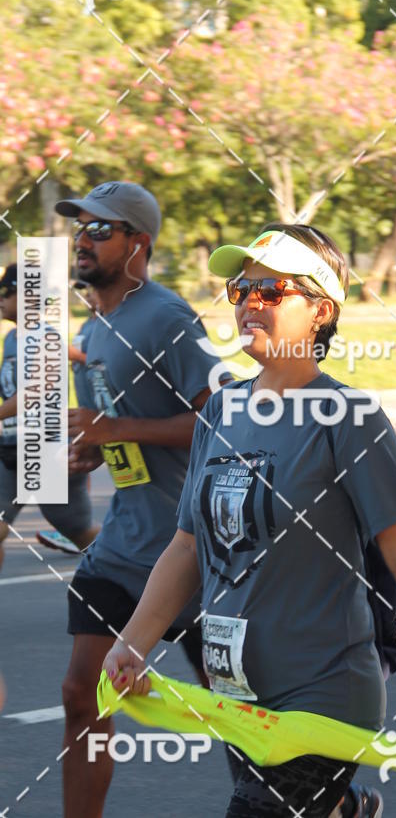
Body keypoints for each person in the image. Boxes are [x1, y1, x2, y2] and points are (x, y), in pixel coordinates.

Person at [103, 224, 396, 818]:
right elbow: (185, 548)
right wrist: (133, 642)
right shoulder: (222, 409)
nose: (251, 303)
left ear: (320, 311)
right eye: (241, 289)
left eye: (273, 289)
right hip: (234, 691)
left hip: (322, 692)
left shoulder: (347, 416)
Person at [53, 181, 226, 818]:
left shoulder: (167, 316)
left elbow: (222, 417)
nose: (82, 240)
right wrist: (98, 448)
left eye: (100, 230)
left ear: (138, 244)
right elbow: (123, 423)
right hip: (123, 546)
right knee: (82, 694)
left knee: (235, 713)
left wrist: (118, 430)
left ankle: (326, 801)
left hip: (190, 552)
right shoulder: (95, 328)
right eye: (80, 228)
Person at [0, 264, 99, 571]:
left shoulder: (43, 335)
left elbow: (35, 390)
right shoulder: (12, 338)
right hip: (11, 450)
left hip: (47, 448)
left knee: (77, 530)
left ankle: (139, 572)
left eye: (6, 291)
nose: (0, 297)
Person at [36, 282, 102, 555]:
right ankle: (77, 526)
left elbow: (105, 362)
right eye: (83, 290)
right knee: (77, 460)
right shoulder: (88, 325)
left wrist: (75, 355)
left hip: (110, 417)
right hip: (87, 413)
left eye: (91, 289)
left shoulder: (113, 325)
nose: (87, 294)